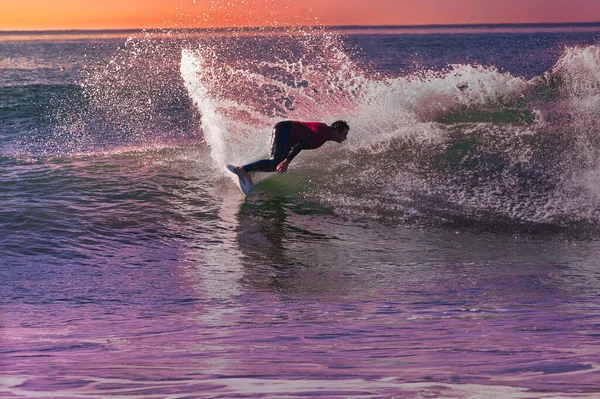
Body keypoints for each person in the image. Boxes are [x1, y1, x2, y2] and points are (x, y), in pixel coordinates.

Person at [232, 120, 350, 185]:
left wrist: (285, 161)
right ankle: (242, 169)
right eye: (344, 134)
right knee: (277, 163)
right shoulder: (322, 135)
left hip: (288, 137)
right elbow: (301, 144)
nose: (345, 138)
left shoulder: (325, 133)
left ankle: (248, 171)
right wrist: (287, 161)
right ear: (336, 131)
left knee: (276, 166)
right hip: (284, 130)